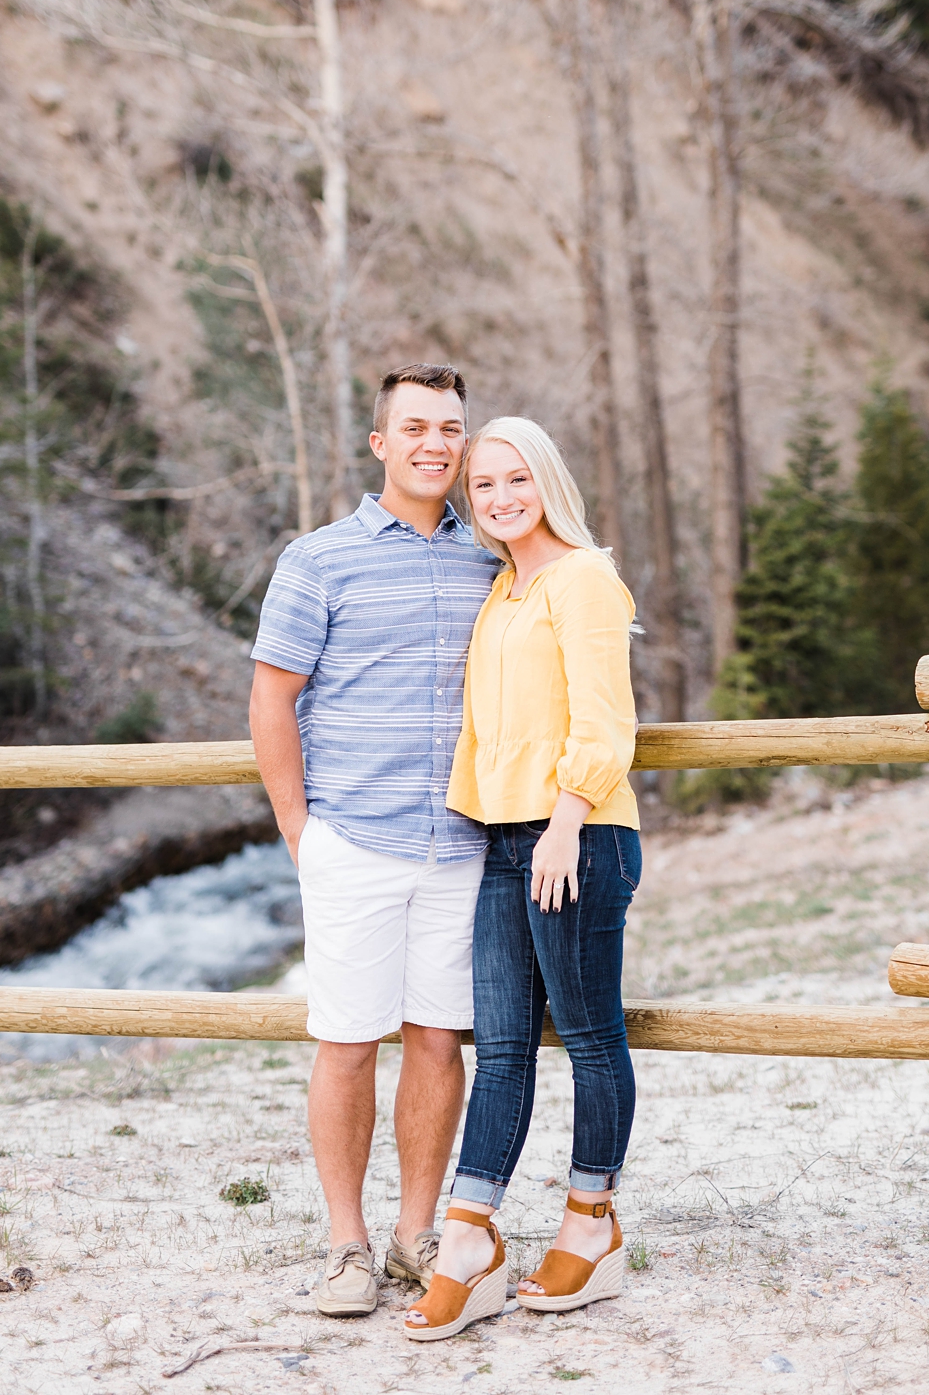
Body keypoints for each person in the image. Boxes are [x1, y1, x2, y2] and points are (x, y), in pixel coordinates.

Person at [248, 363, 501, 1318]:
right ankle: (346, 1245)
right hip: (351, 839)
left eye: (451, 429)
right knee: (348, 1041)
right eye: (418, 427)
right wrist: (298, 831)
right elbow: (273, 697)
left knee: (440, 1042)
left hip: (460, 847)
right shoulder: (319, 559)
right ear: (381, 445)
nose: (436, 444)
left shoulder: (493, 559)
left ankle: (415, 1234)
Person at [404, 416, 641, 1343]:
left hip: (574, 838)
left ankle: (593, 1223)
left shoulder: (583, 580)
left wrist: (567, 821)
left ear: (547, 482)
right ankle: (471, 1243)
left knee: (589, 1036)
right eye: (484, 486)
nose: (500, 499)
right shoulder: (504, 590)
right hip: (504, 841)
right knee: (499, 1045)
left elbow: (606, 717)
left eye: (516, 481)